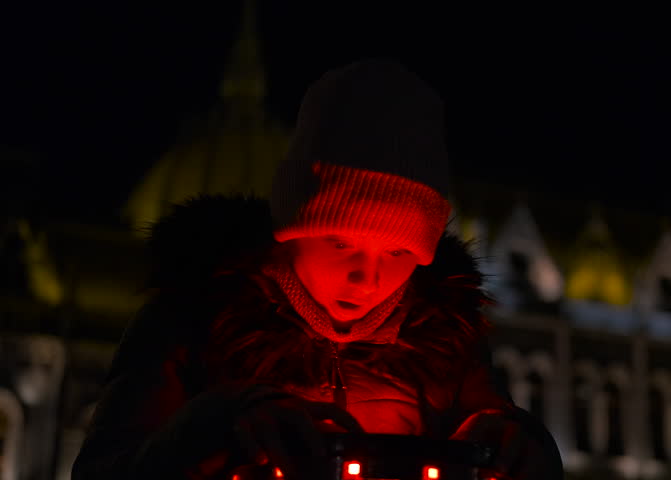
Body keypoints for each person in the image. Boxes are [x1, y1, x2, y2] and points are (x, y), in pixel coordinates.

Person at [72, 59, 563, 480]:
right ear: (293, 226)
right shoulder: (190, 321)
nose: (366, 277)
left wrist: (523, 443)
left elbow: (502, 431)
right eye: (340, 241)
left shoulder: (451, 349)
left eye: (397, 254)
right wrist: (218, 423)